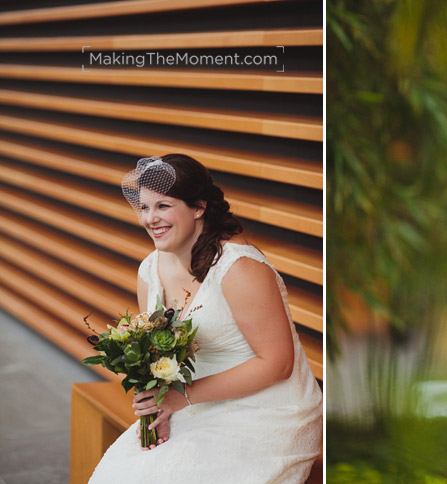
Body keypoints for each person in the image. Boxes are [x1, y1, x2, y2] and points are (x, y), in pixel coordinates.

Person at [89, 154, 322, 483]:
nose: (149, 218)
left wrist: (179, 397)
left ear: (198, 207)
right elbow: (159, 353)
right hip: (193, 402)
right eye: (144, 207)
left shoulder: (239, 268)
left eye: (163, 206)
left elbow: (278, 364)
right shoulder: (150, 269)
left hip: (266, 408)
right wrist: (157, 403)